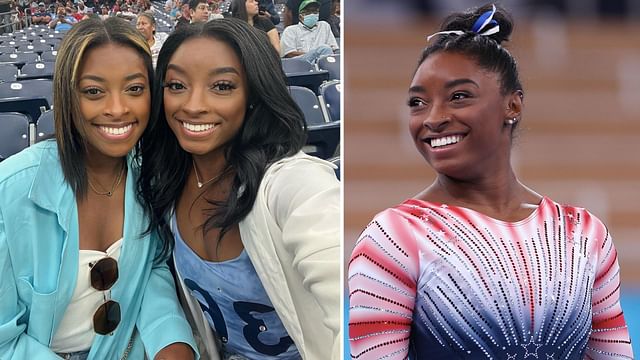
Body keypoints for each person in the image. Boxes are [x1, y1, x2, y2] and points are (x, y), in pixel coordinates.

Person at [347, 4, 634, 359]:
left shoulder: (584, 234)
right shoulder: (394, 237)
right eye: (418, 102)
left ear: (512, 106)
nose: (433, 118)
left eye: (459, 96)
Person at [138, 18, 340, 360]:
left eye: (222, 86)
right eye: (176, 85)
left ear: (253, 94)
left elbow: (356, 312)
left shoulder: (294, 184)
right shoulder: (165, 183)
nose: (193, 105)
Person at [0, 17, 197, 360]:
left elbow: (150, 266)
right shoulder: (12, 190)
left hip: (132, 347)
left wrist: (171, 340)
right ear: (67, 96)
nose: (118, 109)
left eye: (135, 89)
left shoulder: (149, 175)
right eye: (94, 91)